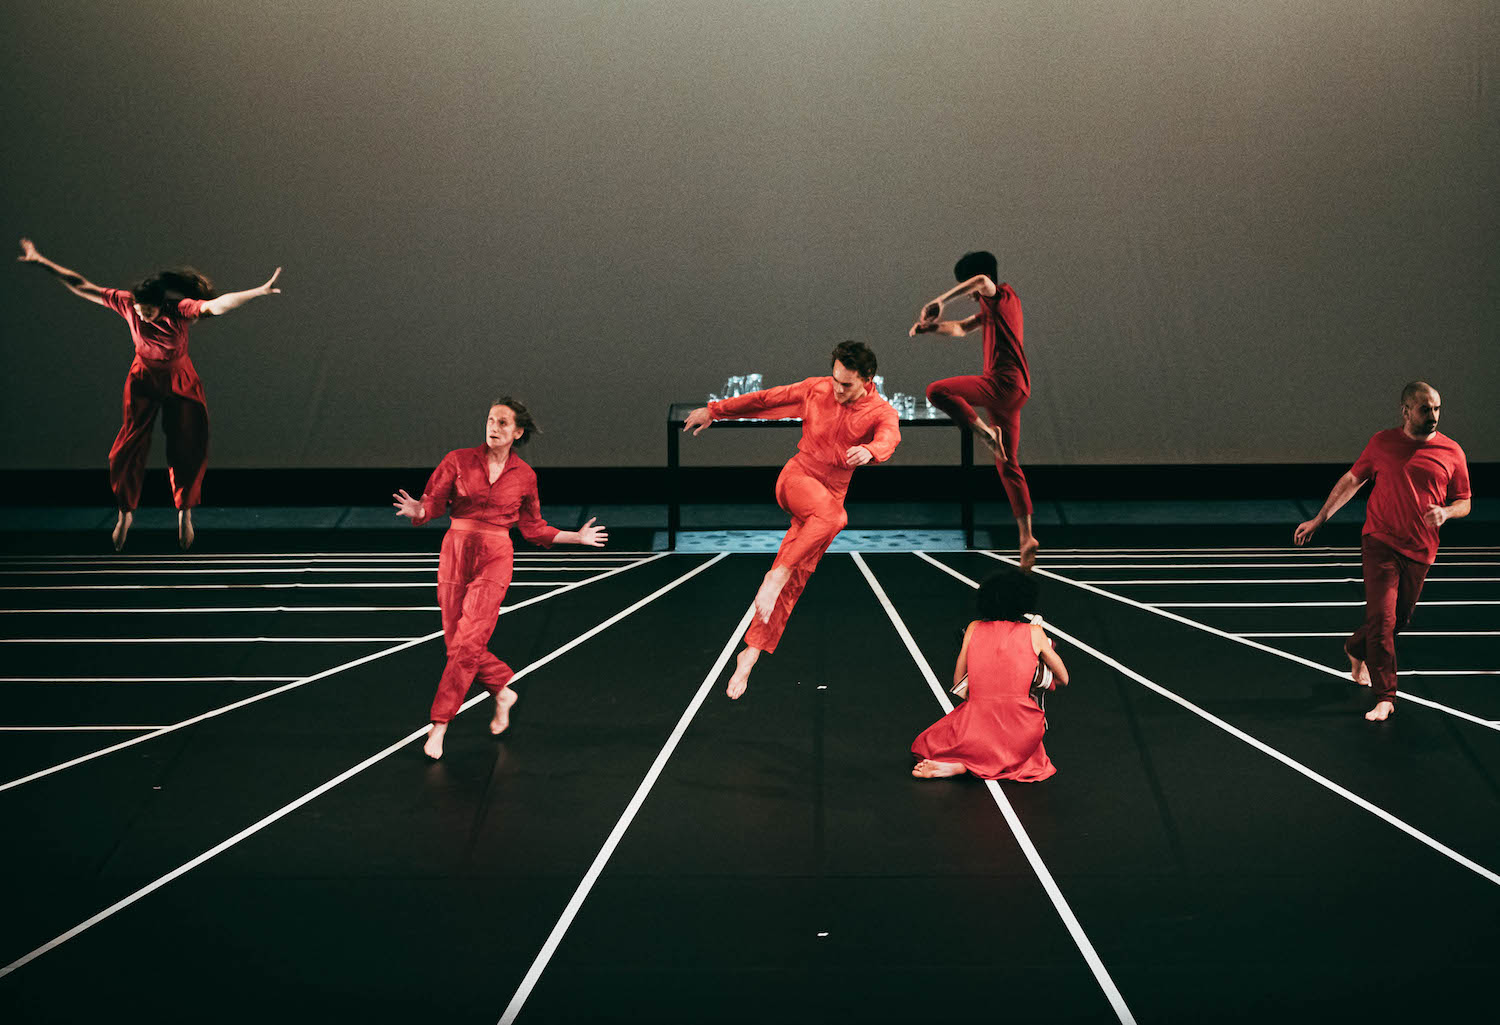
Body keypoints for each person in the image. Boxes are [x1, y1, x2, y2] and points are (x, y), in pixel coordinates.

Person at [17, 237, 281, 551]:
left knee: (188, 441)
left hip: (179, 377)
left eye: (149, 312)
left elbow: (216, 305)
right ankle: (125, 513)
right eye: (140, 312)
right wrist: (41, 261)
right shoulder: (128, 304)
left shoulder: (179, 309)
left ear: (161, 304)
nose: (143, 317)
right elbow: (81, 285)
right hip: (143, 377)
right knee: (129, 444)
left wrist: (257, 292)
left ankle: (185, 512)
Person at [682, 341, 900, 699]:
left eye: (846, 384)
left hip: (828, 500)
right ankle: (776, 574)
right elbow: (765, 400)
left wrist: (871, 449)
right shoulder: (816, 389)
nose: (838, 389)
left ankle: (751, 652)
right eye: (835, 380)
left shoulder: (880, 411)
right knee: (831, 521)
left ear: (868, 379)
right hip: (798, 479)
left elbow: (889, 437)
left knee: (796, 579)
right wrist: (714, 410)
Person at [394, 398, 607, 759]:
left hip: (495, 558)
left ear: (517, 432)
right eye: (491, 420)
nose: (493, 427)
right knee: (456, 644)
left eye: (503, 422)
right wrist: (421, 510)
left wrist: (577, 537)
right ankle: (503, 689)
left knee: (467, 644)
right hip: (455, 552)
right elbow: (434, 500)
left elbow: (534, 528)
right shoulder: (457, 460)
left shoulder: (524, 476)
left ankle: (439, 725)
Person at [1295, 382, 1471, 721]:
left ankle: (1355, 646)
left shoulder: (1452, 451)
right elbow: (1351, 481)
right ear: (1405, 411)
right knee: (1382, 620)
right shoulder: (1382, 443)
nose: (1433, 415)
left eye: (1437, 408)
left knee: (1398, 620)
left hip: (1420, 550)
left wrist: (1447, 513)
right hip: (1380, 542)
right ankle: (1385, 696)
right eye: (1425, 409)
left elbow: (1464, 501)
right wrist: (1319, 519)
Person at [910, 250, 1039, 569]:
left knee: (937, 391)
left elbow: (981, 280)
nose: (969, 294)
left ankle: (984, 433)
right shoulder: (994, 308)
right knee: (1008, 464)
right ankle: (1026, 537)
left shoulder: (1002, 295)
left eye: (966, 287)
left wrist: (940, 299)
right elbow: (961, 328)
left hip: (1001, 384)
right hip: (1013, 392)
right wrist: (929, 328)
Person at [911, 566, 1068, 781]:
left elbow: (958, 681)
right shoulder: (1034, 632)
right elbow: (1063, 679)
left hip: (977, 726)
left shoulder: (973, 628)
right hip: (1022, 730)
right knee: (1022, 752)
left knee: (926, 743)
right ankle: (969, 765)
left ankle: (964, 762)